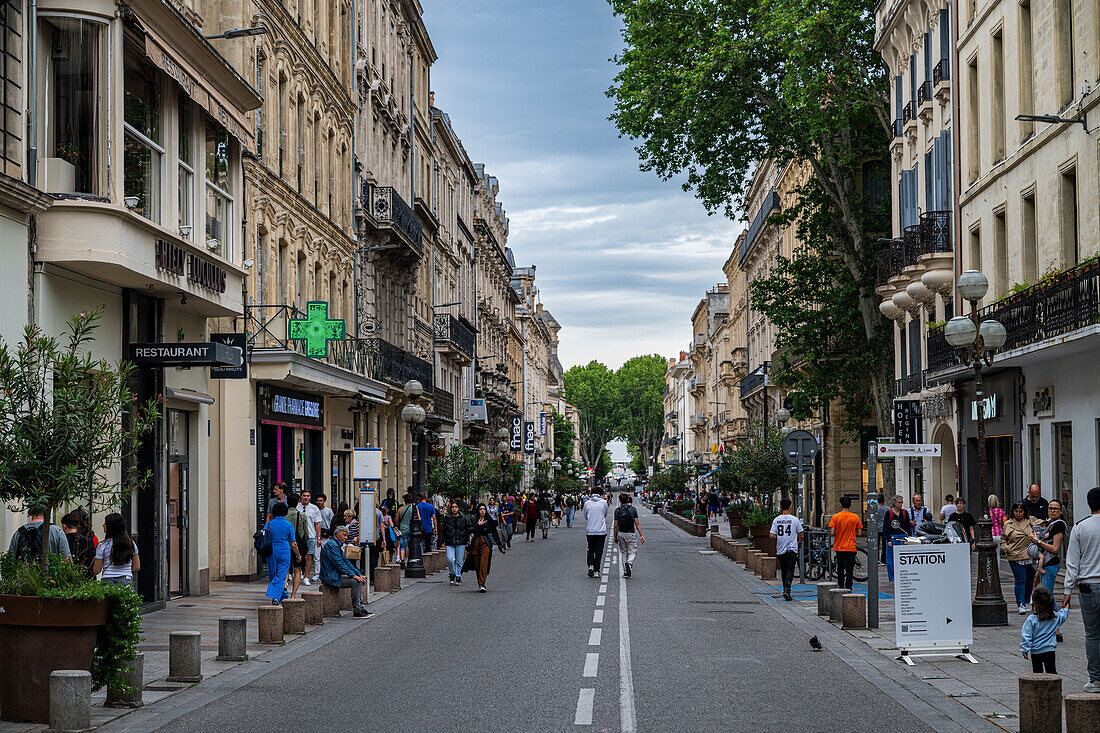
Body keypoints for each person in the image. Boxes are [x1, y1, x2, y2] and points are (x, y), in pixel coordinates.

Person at [1063, 487, 1100, 692]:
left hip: (1088, 586)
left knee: (1093, 634)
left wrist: (1067, 590)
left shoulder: (1080, 527)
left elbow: (1072, 563)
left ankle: (1095, 680)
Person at [320, 525, 372, 618]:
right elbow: (340, 564)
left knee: (358, 580)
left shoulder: (336, 545)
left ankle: (360, 608)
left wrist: (358, 574)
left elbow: (346, 562)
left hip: (335, 576)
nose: (346, 538)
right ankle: (357, 610)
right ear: (337, 534)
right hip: (330, 577)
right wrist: (354, 575)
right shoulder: (332, 545)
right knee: (355, 582)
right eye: (344, 535)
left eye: (347, 535)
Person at [1021, 587, 1069, 674]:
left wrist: (1025, 649)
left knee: (1037, 674)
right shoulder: (1055, 617)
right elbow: (1063, 614)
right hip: (1050, 650)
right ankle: (1053, 687)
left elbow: (1026, 635)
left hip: (1036, 651)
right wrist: (1066, 607)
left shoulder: (1032, 619)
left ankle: (1038, 687)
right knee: (1051, 672)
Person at [1003, 501, 1039, 614]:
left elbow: (1043, 524)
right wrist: (1007, 549)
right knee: (1020, 580)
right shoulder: (1008, 524)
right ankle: (1021, 603)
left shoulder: (1030, 521)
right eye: (1016, 511)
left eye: (1020, 511)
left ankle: (1027, 601)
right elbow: (1003, 539)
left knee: (1030, 580)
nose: (1018, 513)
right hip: (1015, 554)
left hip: (1030, 554)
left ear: (1024, 512)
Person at [263, 503, 300, 604]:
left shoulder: (269, 524)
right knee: (282, 574)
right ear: (285, 512)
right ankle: (276, 596)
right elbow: (293, 544)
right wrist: (298, 555)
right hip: (284, 551)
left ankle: (280, 595)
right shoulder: (289, 525)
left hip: (271, 551)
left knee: (273, 573)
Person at [464, 503, 505, 591]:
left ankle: (482, 584)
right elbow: (468, 531)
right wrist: (478, 525)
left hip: (485, 543)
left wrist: (500, 545)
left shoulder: (489, 520)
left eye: (484, 509)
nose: (482, 511)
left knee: (484, 563)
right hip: (475, 543)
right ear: (478, 510)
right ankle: (480, 583)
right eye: (480, 509)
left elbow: (494, 533)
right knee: (477, 565)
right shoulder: (473, 519)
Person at [769, 498, 804, 601]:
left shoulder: (776, 520)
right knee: (790, 569)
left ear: (780, 507)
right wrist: (799, 542)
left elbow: (771, 535)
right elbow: (801, 534)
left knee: (784, 570)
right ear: (790, 507)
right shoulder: (795, 519)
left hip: (781, 549)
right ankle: (787, 587)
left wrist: (779, 537)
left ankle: (785, 588)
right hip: (792, 548)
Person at [92, 513, 140, 587]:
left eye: (105, 523)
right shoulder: (131, 544)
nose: (103, 525)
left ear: (111, 527)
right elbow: (136, 567)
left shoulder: (102, 546)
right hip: (126, 579)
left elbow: (96, 570)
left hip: (107, 580)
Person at [1032, 500, 1067, 595]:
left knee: (1048, 594)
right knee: (1046, 592)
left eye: (1055, 508)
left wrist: (1038, 541)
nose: (1052, 511)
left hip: (1051, 562)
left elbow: (1055, 548)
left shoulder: (1059, 525)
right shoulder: (1048, 523)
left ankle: (1053, 610)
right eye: (1050, 508)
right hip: (1045, 562)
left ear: (1061, 511)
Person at [829, 496, 863, 591]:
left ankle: (840, 585)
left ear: (840, 505)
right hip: (851, 547)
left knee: (840, 568)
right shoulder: (855, 517)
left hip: (839, 546)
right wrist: (853, 532)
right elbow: (860, 533)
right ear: (850, 505)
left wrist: (839, 532)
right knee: (849, 569)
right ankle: (849, 586)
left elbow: (832, 532)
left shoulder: (835, 517)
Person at [613, 493, 645, 578]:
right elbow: (637, 523)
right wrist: (641, 535)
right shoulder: (633, 509)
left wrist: (615, 536)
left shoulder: (617, 510)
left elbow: (615, 525)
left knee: (624, 552)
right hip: (631, 533)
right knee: (632, 551)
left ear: (619, 500)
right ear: (628, 500)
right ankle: (629, 563)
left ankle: (625, 571)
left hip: (621, 533)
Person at [440, 501, 471, 585]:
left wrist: (467, 540)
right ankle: (452, 573)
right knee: (450, 559)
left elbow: (466, 530)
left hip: (460, 541)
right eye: (453, 507)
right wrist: (443, 541)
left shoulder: (463, 518)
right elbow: (444, 530)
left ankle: (458, 576)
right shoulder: (447, 518)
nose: (454, 509)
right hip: (450, 541)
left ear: (458, 508)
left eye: (456, 507)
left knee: (459, 561)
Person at [296, 490, 322, 585]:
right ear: (301, 496)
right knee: (298, 556)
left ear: (310, 497)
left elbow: (317, 524)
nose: (306, 497)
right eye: (304, 495)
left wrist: (318, 538)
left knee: (308, 557)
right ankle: (299, 574)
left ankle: (306, 577)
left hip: (311, 536)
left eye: (307, 496)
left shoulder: (314, 508)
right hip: (299, 536)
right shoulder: (296, 507)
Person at [884, 495, 912, 582]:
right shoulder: (889, 513)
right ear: (894, 503)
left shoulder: (904, 513)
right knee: (891, 558)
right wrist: (888, 539)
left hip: (903, 536)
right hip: (893, 537)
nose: (900, 504)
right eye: (899, 502)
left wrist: (909, 538)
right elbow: (886, 527)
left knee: (903, 557)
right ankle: (892, 577)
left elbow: (908, 526)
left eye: (901, 502)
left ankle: (902, 575)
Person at [61, 510, 96, 577]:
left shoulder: (63, 540)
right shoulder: (89, 540)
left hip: (67, 577)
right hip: (87, 576)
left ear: (64, 526)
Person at [583, 490, 609, 577]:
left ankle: (590, 565)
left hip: (590, 530)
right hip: (601, 530)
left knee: (590, 549)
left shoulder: (587, 503)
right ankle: (597, 570)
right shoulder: (604, 502)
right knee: (599, 551)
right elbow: (605, 514)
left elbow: (585, 516)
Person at [396, 494, 417, 566]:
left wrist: (398, 525)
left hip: (403, 529)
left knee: (402, 545)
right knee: (408, 545)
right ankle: (407, 559)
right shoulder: (414, 508)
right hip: (411, 530)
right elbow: (419, 518)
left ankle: (402, 559)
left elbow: (396, 520)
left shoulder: (400, 509)